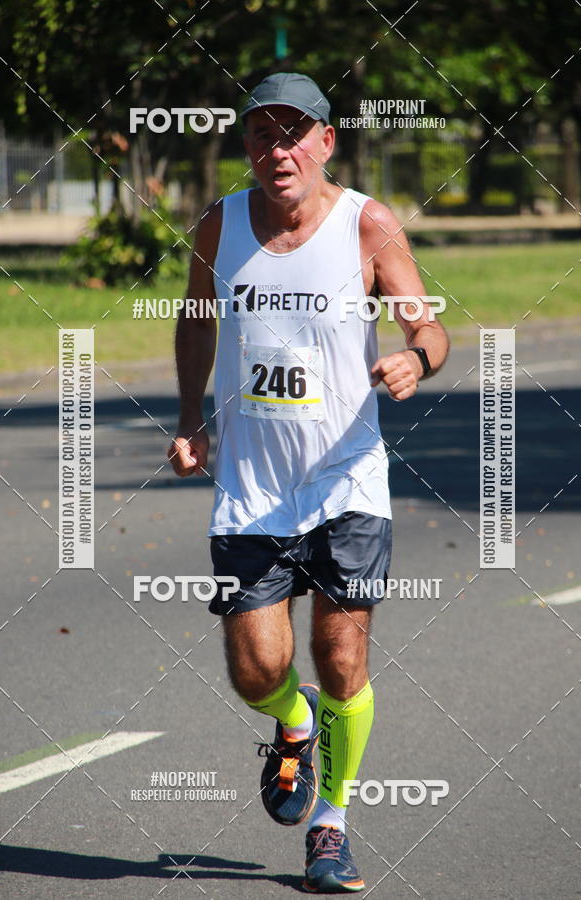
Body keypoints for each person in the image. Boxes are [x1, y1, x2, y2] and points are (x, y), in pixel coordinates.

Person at [168, 72, 449, 894]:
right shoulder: (220, 223)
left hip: (346, 480)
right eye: (263, 133)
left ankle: (332, 824)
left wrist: (416, 357)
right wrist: (189, 418)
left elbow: (429, 325)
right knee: (257, 669)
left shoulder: (368, 224)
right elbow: (195, 318)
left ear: (327, 141)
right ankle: (292, 725)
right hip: (252, 487)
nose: (279, 149)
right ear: (247, 145)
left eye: (295, 133)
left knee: (340, 654)